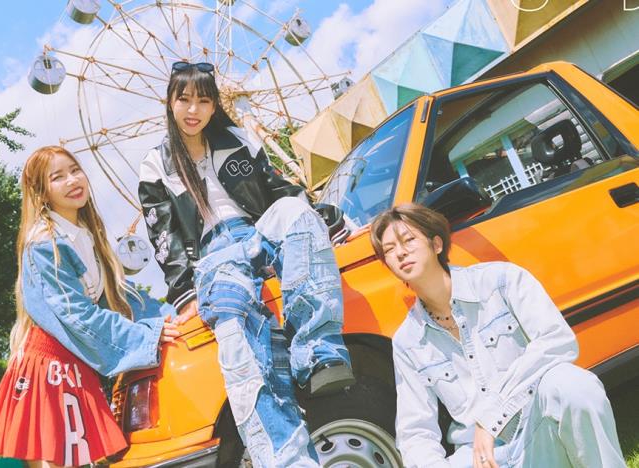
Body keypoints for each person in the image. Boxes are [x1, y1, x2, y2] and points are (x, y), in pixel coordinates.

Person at [139, 61, 354, 466]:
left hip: (258, 232)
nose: (193, 110)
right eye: (184, 99)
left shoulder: (238, 139)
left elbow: (279, 190)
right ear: (169, 102)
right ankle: (286, 459)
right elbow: (163, 235)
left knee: (295, 211)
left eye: (204, 100)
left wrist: (320, 218)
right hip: (212, 256)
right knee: (238, 332)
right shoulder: (156, 163)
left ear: (215, 105)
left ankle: (318, 352)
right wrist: (184, 291)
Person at [370, 203, 625, 468]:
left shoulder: (502, 281)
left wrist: (491, 416)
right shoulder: (408, 342)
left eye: (408, 240)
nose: (400, 252)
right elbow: (416, 432)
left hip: (539, 431)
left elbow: (557, 341)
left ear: (436, 244)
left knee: (574, 385)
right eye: (389, 250)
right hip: (480, 457)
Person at [0, 146, 179, 467]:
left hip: (73, 360)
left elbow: (118, 296)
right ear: (41, 193)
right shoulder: (44, 243)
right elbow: (76, 315)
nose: (72, 180)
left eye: (75, 170)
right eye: (58, 177)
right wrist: (146, 336)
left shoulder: (83, 234)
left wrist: (173, 316)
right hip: (50, 365)